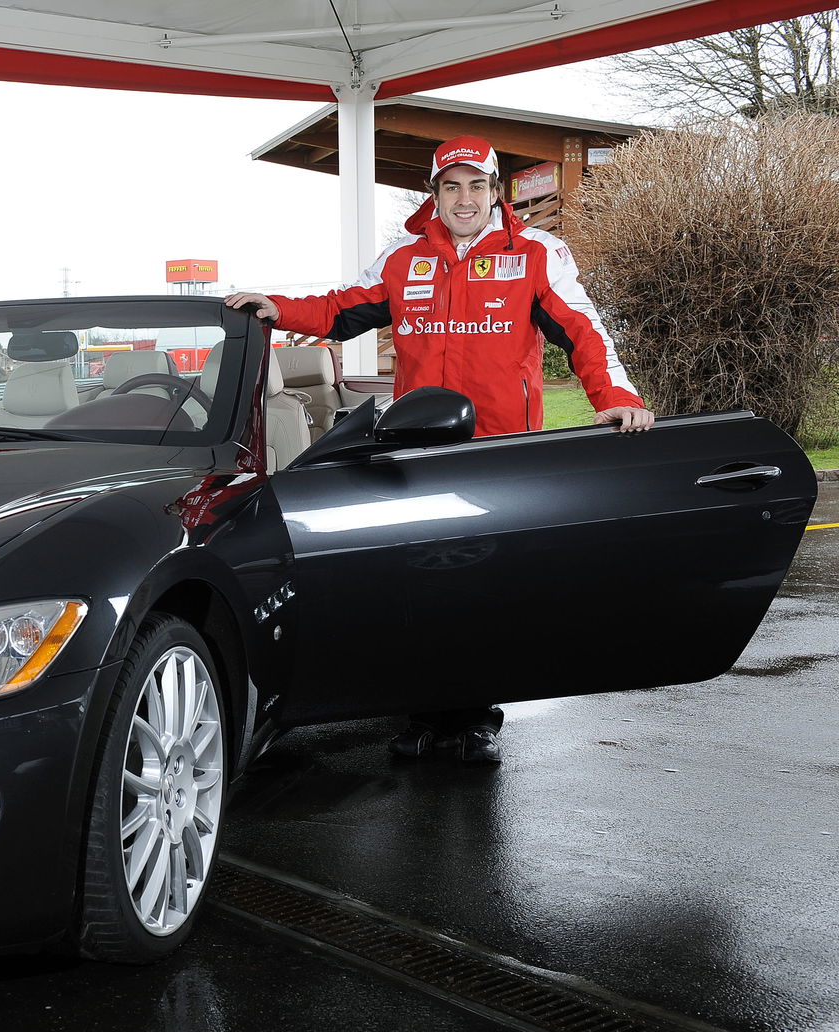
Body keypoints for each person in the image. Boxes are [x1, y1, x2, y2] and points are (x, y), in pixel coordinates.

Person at [226, 135, 656, 763]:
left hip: (498, 454)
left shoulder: (536, 253)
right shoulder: (403, 258)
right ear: (435, 193)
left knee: (485, 592)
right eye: (451, 186)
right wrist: (277, 306)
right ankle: (423, 713)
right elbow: (341, 307)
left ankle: (476, 718)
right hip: (416, 455)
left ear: (495, 191)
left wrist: (615, 395)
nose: (464, 198)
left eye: (476, 185)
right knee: (421, 587)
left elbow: (584, 329)